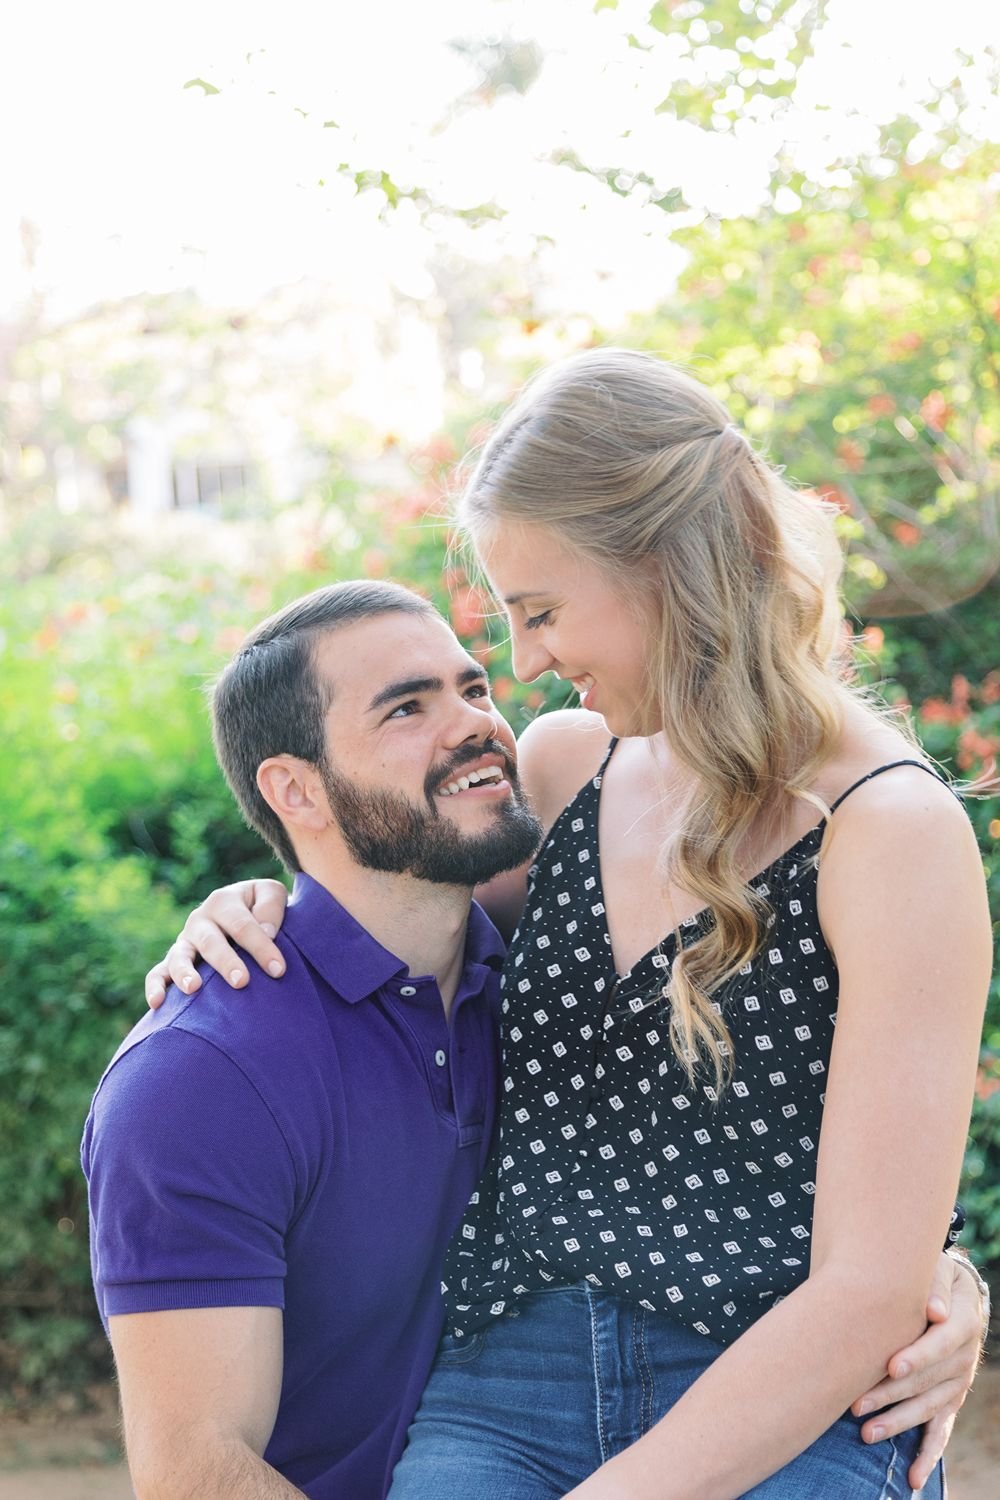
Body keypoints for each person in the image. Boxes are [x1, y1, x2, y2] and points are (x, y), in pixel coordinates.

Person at [149, 351, 992, 1498]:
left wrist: (933, 1275)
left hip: (784, 1393)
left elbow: (866, 1286)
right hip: (504, 1389)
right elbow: (399, 930)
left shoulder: (885, 828)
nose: (527, 660)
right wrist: (253, 903)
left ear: (665, 569)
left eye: (540, 612)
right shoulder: (564, 767)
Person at [82, 580, 544, 1499]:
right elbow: (199, 1468)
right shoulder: (199, 1078)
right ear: (296, 790)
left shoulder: (548, 972)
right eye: (408, 707)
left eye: (474, 688)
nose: (473, 723)